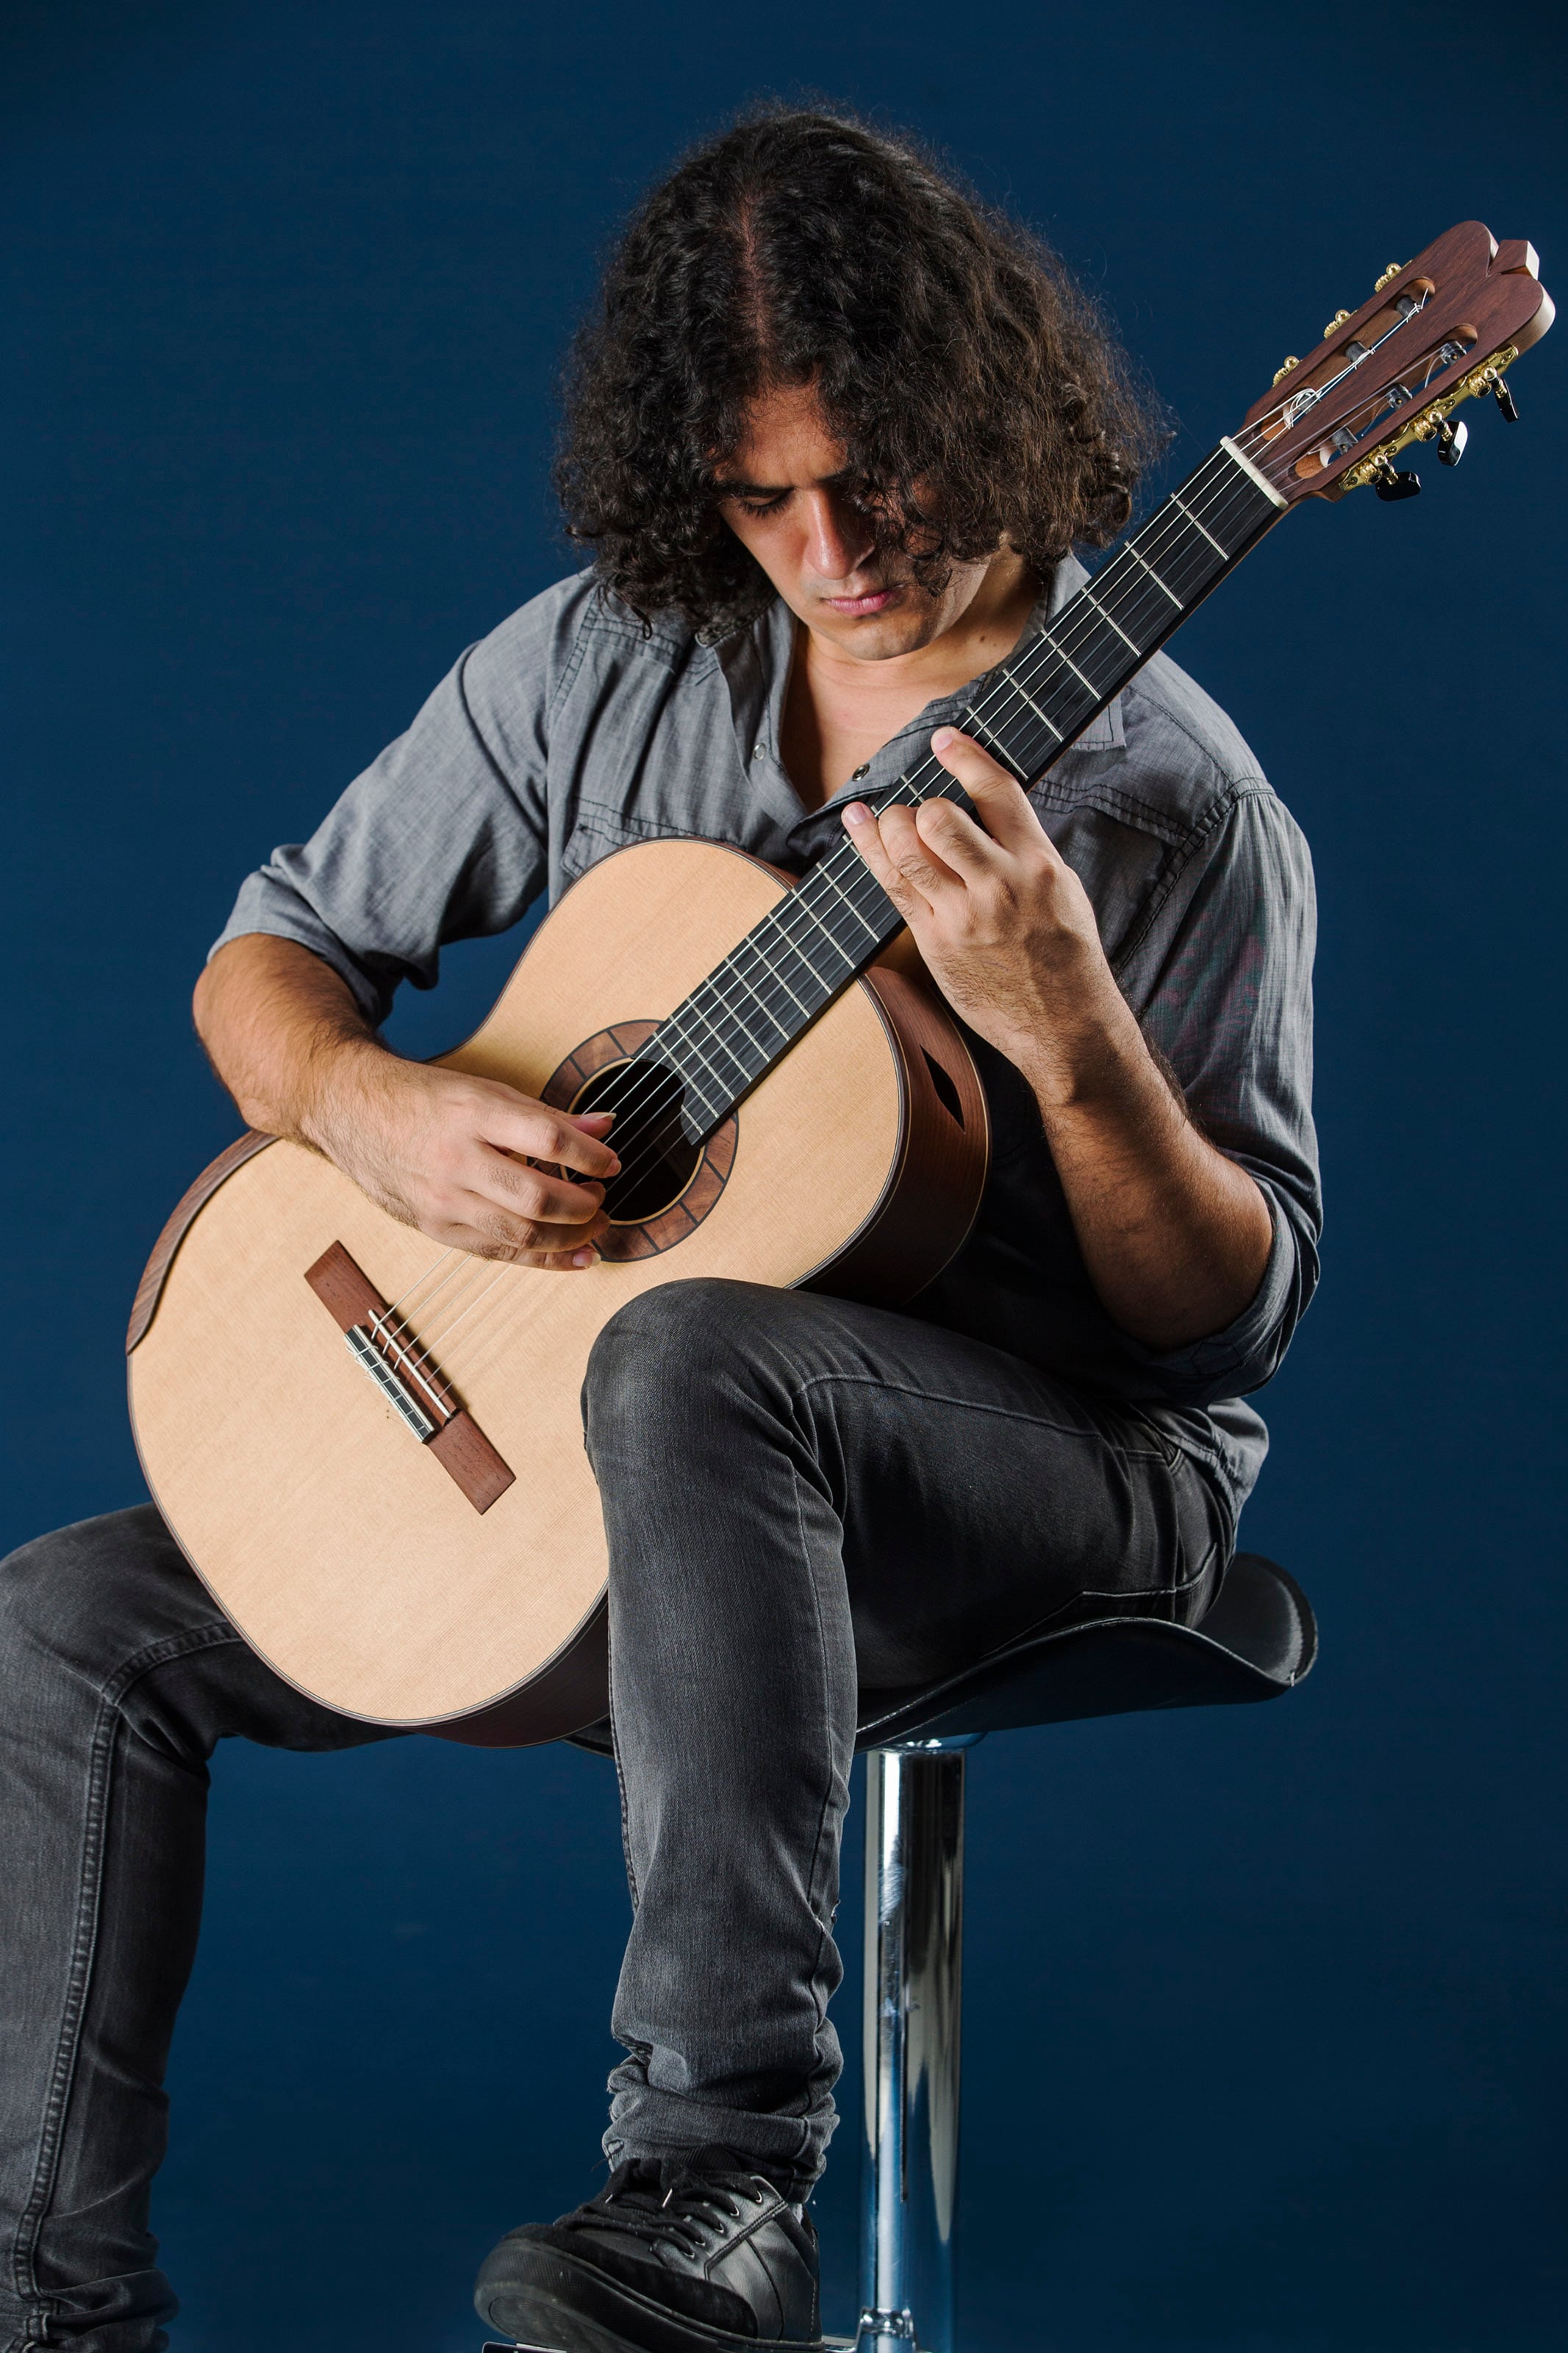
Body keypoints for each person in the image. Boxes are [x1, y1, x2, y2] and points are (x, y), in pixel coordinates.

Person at [0, 110, 1320, 2353]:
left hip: (1054, 1472)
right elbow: (268, 959)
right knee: (69, 1624)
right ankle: (48, 2311)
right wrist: (375, 1111)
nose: (827, 554)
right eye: (756, 497)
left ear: (987, 405)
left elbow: (1221, 1330)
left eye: (873, 479)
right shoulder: (612, 660)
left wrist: (1069, 1030)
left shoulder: (1174, 801)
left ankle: (716, 2198)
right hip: (646, 1464)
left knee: (690, 1357)